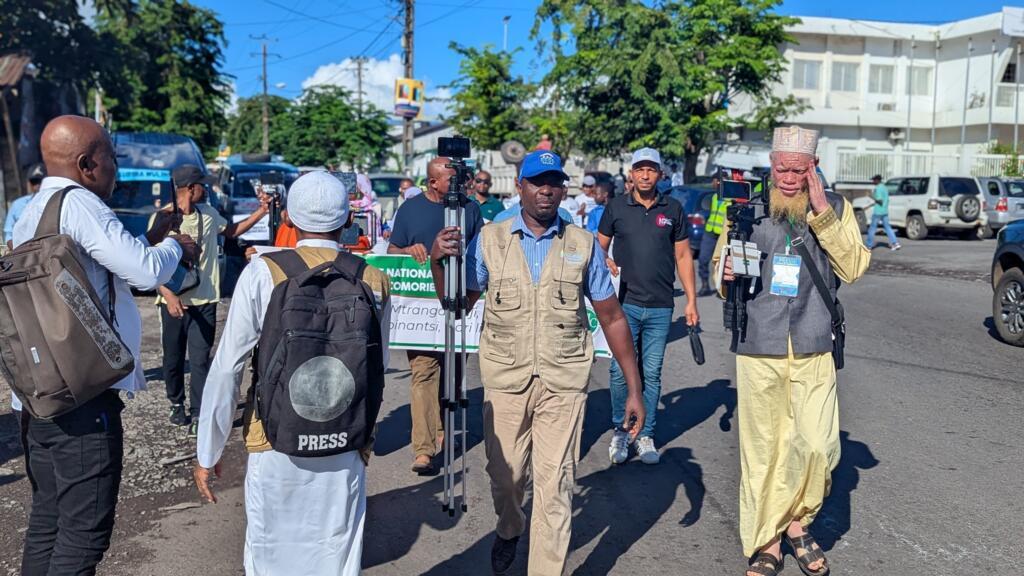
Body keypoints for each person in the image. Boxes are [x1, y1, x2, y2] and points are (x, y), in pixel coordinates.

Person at [430, 150, 646, 576]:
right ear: (521, 187)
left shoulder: (583, 245)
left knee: (556, 484)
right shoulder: (491, 239)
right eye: (537, 182)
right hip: (506, 378)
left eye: (553, 182)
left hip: (563, 381)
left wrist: (635, 389)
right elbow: (456, 305)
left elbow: (612, 316)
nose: (546, 190)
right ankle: (510, 525)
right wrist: (440, 261)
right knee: (505, 476)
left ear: (563, 188)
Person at [12, 115, 196, 576]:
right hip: (84, 392)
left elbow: (93, 271)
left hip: (39, 394)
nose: (115, 167)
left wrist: (146, 241)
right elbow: (147, 273)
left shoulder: (32, 210)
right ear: (87, 163)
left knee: (48, 522)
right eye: (111, 157)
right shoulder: (82, 204)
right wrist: (175, 245)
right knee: (82, 538)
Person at [194, 171, 391, 576]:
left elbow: (228, 366)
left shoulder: (263, 273)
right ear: (347, 219)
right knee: (336, 552)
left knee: (270, 550)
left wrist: (208, 451)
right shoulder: (373, 278)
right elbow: (378, 368)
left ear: (288, 219)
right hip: (344, 438)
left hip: (274, 438)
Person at [713, 126, 870, 576]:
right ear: (771, 164)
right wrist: (724, 275)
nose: (787, 178)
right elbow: (720, 280)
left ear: (813, 168)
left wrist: (821, 213)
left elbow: (854, 266)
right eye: (781, 168)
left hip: (814, 341)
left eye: (797, 170)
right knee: (763, 449)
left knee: (819, 446)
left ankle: (799, 520)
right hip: (758, 343)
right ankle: (769, 540)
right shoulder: (747, 209)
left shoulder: (836, 207)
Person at [150, 165, 271, 436]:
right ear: (191, 188)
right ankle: (175, 403)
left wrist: (262, 211)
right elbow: (149, 264)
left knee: (201, 360)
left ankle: (198, 413)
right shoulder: (162, 219)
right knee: (173, 359)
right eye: (202, 185)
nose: (207, 189)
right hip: (172, 301)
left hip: (205, 299)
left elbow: (233, 231)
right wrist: (167, 295)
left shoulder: (209, 214)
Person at [598, 147, 699, 466]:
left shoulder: (673, 208)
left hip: (659, 305)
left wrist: (692, 301)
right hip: (622, 306)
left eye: (651, 170)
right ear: (631, 173)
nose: (644, 175)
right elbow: (597, 248)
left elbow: (683, 256)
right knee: (618, 371)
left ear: (660, 175)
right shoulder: (615, 207)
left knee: (651, 373)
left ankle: (645, 433)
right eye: (639, 169)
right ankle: (621, 430)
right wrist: (607, 259)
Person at [388, 157, 484, 473]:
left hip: (459, 307)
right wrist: (408, 251)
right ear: (433, 182)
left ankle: (443, 429)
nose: (460, 186)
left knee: (453, 376)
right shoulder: (410, 210)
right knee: (424, 372)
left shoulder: (470, 209)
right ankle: (424, 449)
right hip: (420, 315)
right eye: (451, 180)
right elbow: (391, 254)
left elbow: (482, 253)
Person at [4, 163, 46, 249]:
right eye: (34, 182)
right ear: (28, 183)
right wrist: (19, 253)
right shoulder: (18, 204)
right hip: (23, 253)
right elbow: (8, 234)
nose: (37, 185)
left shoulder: (54, 202)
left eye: (40, 181)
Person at [698, 175, 727, 297]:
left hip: (722, 234)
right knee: (703, 259)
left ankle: (722, 289)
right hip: (710, 231)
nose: (713, 183)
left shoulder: (730, 198)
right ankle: (705, 286)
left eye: (715, 181)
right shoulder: (715, 196)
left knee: (722, 263)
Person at [865, 174, 901, 251]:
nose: (873, 181)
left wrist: (871, 196)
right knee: (888, 227)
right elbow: (884, 200)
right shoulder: (885, 188)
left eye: (874, 180)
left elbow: (880, 201)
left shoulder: (878, 188)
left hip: (878, 212)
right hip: (884, 211)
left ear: (877, 180)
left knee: (872, 228)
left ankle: (868, 245)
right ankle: (895, 243)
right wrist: (869, 205)